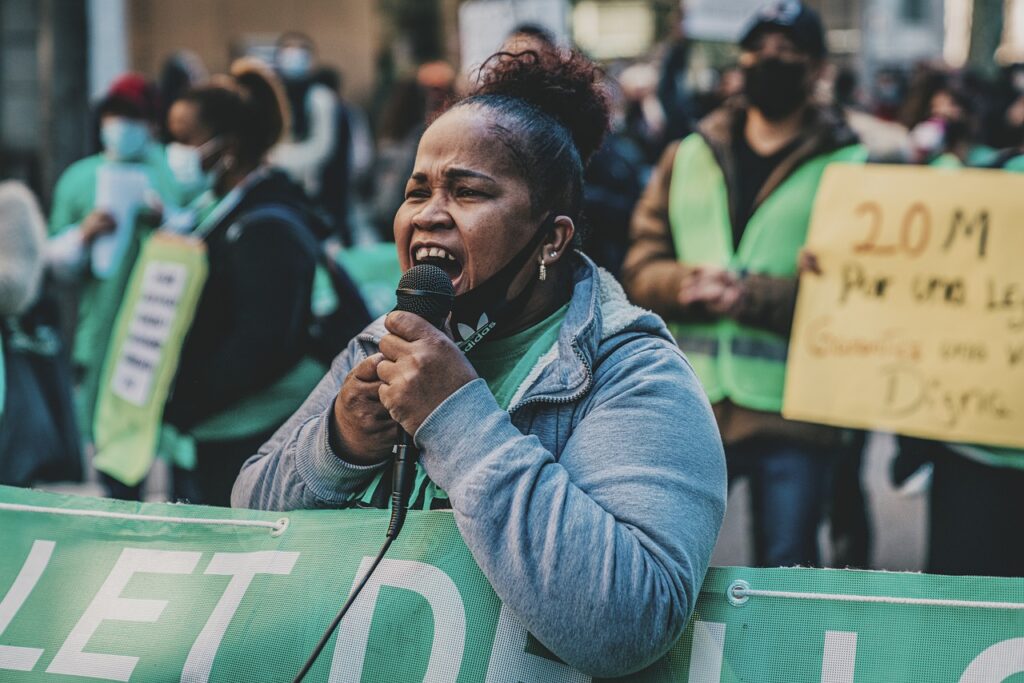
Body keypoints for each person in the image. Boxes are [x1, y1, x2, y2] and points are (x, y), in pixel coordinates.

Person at [233, 49, 726, 676]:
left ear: (552, 238)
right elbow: (248, 519)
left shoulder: (634, 375)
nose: (428, 214)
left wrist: (455, 417)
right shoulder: (377, 344)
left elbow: (628, 621)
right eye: (417, 191)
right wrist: (339, 445)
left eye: (467, 192)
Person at [622, 0, 866, 568]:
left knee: (787, 569)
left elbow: (857, 298)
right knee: (663, 566)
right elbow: (641, 266)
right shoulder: (686, 156)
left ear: (817, 68)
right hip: (692, 404)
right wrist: (682, 284)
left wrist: (751, 296)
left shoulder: (851, 167)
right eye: (757, 50)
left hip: (795, 414)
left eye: (786, 53)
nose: (767, 61)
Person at [123, 59, 328, 505]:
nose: (170, 152)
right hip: (216, 424)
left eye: (182, 140)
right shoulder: (216, 209)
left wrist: (186, 399)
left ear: (227, 147)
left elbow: (261, 343)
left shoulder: (267, 225)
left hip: (247, 429)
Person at [269, 33, 339, 213]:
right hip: (275, 190)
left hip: (312, 192)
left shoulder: (320, 98)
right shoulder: (273, 95)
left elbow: (321, 149)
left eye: (300, 53)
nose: (293, 60)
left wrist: (279, 160)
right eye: (288, 52)